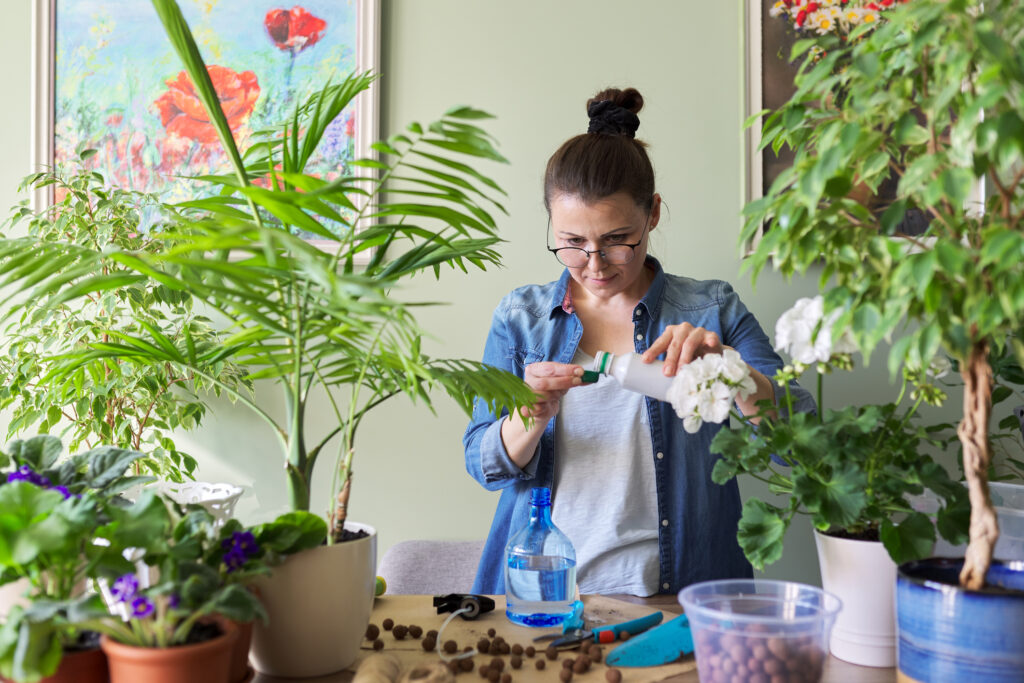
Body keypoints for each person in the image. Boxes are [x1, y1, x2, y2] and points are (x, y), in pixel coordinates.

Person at [463, 87, 815, 597]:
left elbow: (805, 450)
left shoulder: (711, 310)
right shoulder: (522, 320)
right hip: (542, 594)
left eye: (615, 239)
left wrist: (731, 371)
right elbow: (482, 463)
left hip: (685, 596)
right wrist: (530, 415)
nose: (595, 263)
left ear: (652, 213)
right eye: (571, 243)